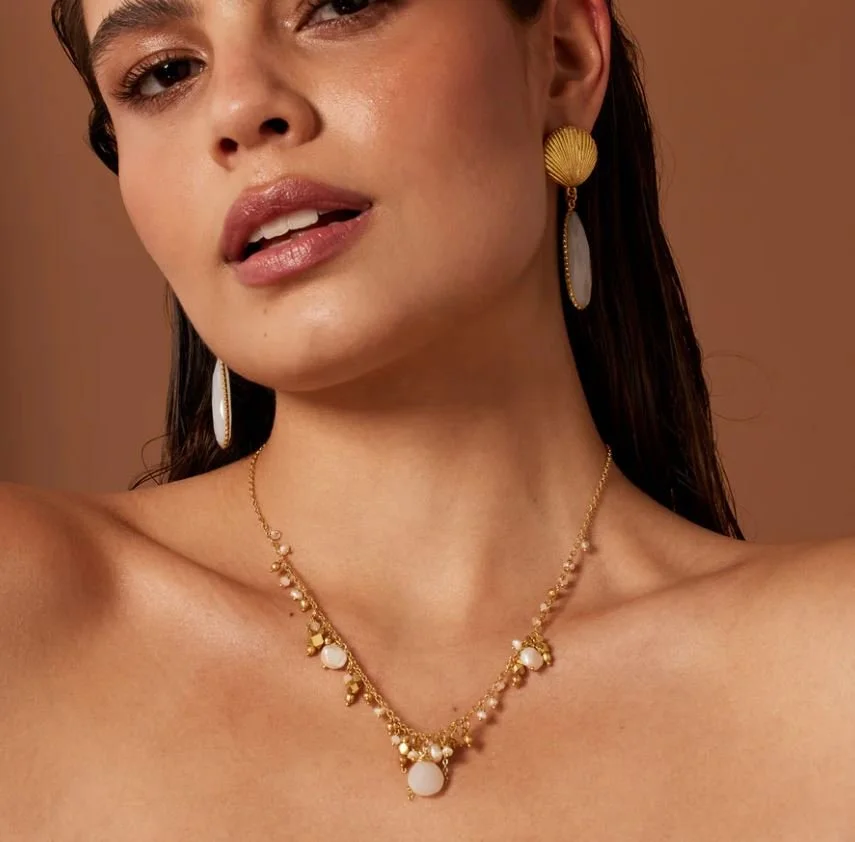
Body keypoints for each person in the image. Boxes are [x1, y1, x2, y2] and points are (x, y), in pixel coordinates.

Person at [2, 0, 852, 835]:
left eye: (338, 6)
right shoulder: (25, 610)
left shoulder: (826, 677)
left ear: (561, 58)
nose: (238, 110)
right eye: (163, 74)